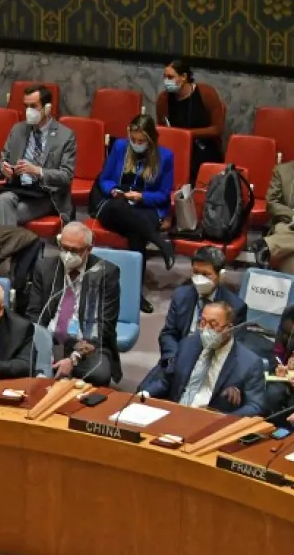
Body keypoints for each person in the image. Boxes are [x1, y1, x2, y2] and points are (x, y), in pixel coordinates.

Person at [92, 114, 175, 311]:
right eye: (133, 139)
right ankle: (159, 241)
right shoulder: (120, 147)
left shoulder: (165, 156)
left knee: (136, 233)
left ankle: (134, 292)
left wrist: (141, 197)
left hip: (144, 207)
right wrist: (113, 190)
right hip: (115, 207)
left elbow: (163, 195)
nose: (136, 144)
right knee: (120, 206)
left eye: (141, 141)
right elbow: (104, 179)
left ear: (151, 139)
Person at [25, 222, 121, 386]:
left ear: (89, 249)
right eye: (64, 248)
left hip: (86, 343)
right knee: (23, 366)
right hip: (51, 337)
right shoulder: (45, 268)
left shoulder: (106, 273)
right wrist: (42, 346)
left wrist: (73, 359)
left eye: (75, 250)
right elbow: (34, 314)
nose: (68, 255)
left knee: (99, 374)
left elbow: (105, 327)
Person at [136, 301, 264, 416]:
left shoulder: (249, 363)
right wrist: (146, 393)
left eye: (213, 325)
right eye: (202, 323)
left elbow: (255, 405)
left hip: (209, 422)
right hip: (175, 412)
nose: (206, 330)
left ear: (229, 328)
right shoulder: (187, 345)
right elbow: (167, 379)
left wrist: (224, 421)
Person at [0, 85, 77, 227]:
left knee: (9, 212)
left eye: (33, 106)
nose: (28, 111)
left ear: (47, 108)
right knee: (2, 200)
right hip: (19, 188)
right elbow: (1, 161)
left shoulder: (65, 135)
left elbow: (66, 176)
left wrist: (37, 171)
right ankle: (14, 246)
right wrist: (3, 168)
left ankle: (8, 246)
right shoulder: (18, 129)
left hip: (46, 194)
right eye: (26, 106)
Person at [157, 246, 245, 369]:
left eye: (206, 274)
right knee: (145, 387)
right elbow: (168, 334)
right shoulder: (180, 295)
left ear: (221, 276)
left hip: (210, 365)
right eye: (196, 272)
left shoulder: (236, 307)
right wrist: (173, 359)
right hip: (177, 359)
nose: (199, 279)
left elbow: (233, 350)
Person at [157, 59, 224, 179]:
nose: (166, 81)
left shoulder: (206, 93)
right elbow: (161, 129)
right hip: (176, 147)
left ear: (184, 77)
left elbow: (217, 129)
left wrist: (188, 134)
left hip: (204, 147)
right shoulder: (164, 99)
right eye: (165, 77)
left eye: (170, 77)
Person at [263, 159, 294, 271]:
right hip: (287, 223)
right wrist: (292, 215)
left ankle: (268, 246)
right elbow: (271, 203)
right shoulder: (282, 170)